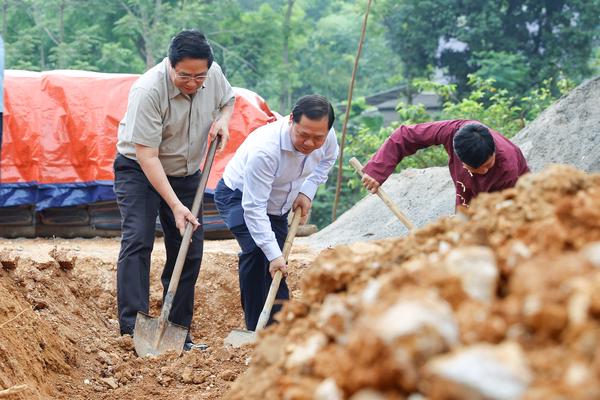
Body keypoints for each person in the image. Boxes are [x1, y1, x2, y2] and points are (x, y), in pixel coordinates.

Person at [114, 29, 235, 351]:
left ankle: (178, 331)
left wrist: (223, 120)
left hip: (186, 172)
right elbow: (147, 155)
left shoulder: (212, 74)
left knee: (190, 246)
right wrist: (175, 205)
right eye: (185, 76)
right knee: (138, 239)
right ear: (170, 65)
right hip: (139, 171)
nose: (193, 83)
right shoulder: (148, 91)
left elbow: (228, 100)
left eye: (199, 76)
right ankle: (132, 329)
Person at [214, 95, 338, 330]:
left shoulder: (326, 138)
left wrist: (307, 192)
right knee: (258, 252)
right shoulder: (266, 150)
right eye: (303, 135)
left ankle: (280, 328)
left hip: (278, 204)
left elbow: (328, 160)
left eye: (317, 138)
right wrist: (272, 254)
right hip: (239, 198)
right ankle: (257, 330)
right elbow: (254, 208)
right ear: (291, 120)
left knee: (277, 263)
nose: (310, 143)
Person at [361, 120, 529, 210]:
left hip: (513, 197)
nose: (485, 170)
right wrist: (377, 170)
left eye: (488, 164)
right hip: (467, 192)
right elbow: (405, 135)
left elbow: (500, 212)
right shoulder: (452, 132)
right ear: (460, 159)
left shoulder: (507, 167)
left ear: (493, 151)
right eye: (478, 169)